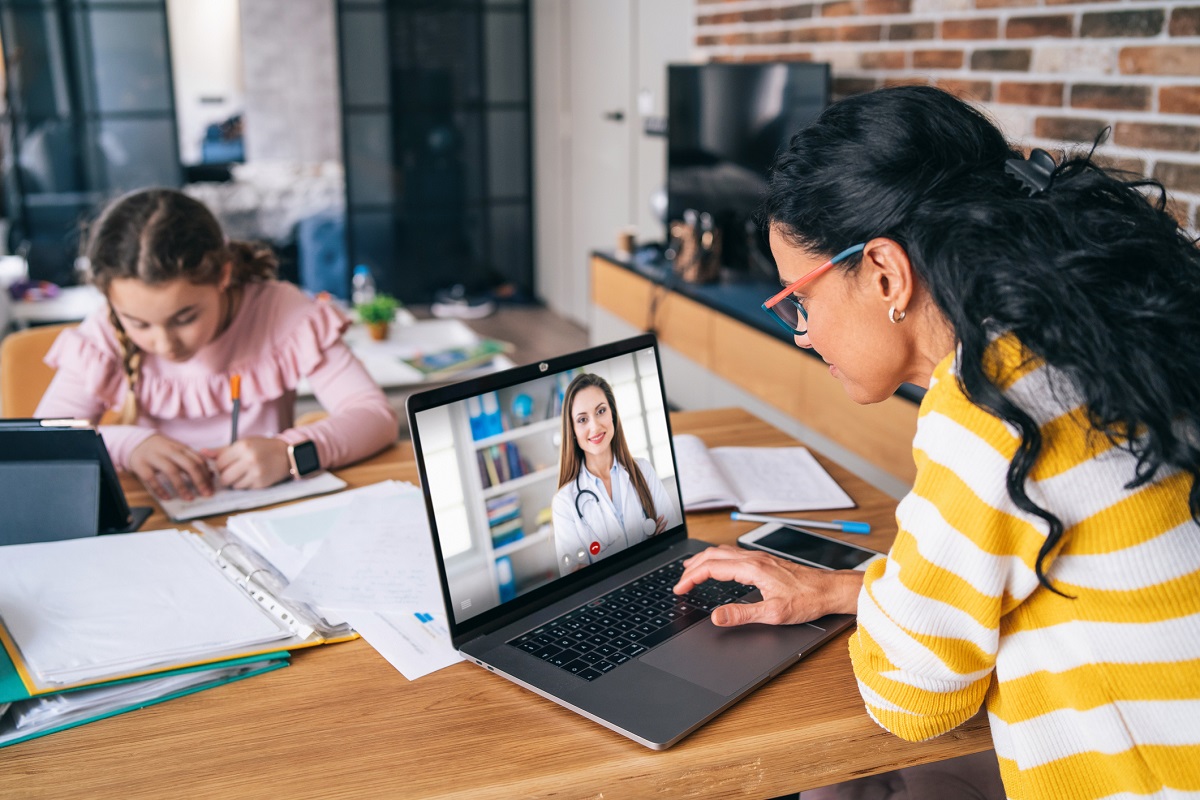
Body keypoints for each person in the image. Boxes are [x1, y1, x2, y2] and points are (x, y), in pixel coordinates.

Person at [674, 85, 1200, 800]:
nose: (801, 332)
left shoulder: (995, 404)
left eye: (801, 298)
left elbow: (909, 701)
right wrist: (848, 590)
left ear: (886, 273)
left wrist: (889, 603)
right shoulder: (1083, 338)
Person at [36, 188, 399, 499]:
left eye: (185, 318)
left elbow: (375, 417)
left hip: (268, 515)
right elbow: (42, 443)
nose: (164, 344)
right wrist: (126, 445)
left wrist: (290, 452)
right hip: (160, 527)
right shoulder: (103, 331)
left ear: (223, 274)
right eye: (139, 324)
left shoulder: (281, 312)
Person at [551, 373, 681, 575]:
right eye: (582, 419)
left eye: (601, 411)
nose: (595, 426)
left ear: (612, 414)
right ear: (573, 431)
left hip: (659, 581)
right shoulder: (564, 503)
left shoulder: (643, 471)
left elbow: (673, 545)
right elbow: (577, 580)